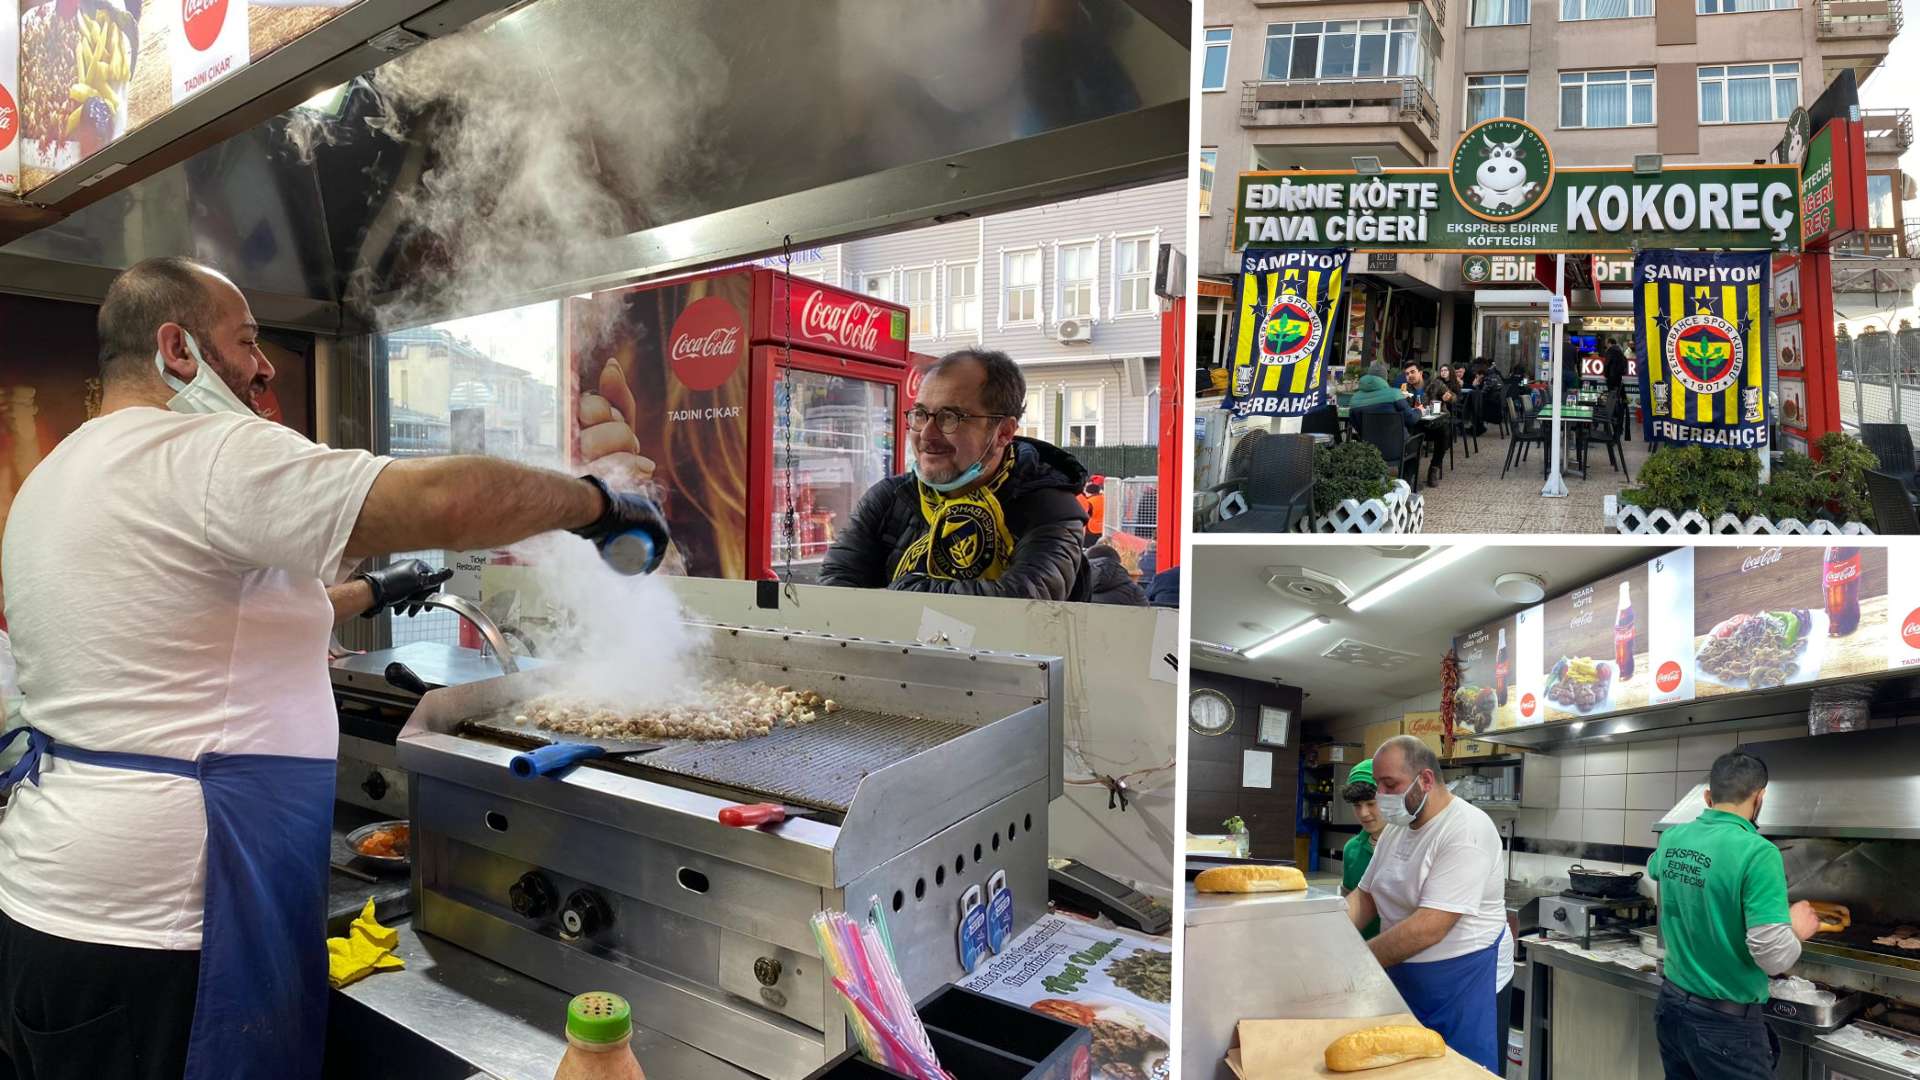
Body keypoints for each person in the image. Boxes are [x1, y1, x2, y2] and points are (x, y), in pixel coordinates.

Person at [0, 256, 670, 1080]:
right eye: (245, 341)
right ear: (177, 350)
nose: (263, 364)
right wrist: (598, 504)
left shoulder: (64, 473)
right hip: (172, 927)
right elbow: (441, 502)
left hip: (56, 909)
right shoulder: (199, 452)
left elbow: (220, 622)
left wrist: (378, 586)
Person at [820, 348, 1090, 600]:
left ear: (1004, 432)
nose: (927, 434)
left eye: (950, 417)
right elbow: (834, 592)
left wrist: (903, 593)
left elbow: (1023, 605)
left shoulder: (1051, 510)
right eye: (921, 414)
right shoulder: (889, 498)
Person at [1649, 752, 1823, 1080]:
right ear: (1761, 797)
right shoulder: (1758, 853)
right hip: (1724, 1026)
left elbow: (1655, 868)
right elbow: (1773, 958)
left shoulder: (1672, 837)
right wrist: (1796, 927)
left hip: (1671, 1007)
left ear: (1707, 797)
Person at [1345, 736, 1507, 1073]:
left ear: (1426, 780)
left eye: (1390, 785)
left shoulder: (1467, 830)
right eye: (1379, 786)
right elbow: (1366, 896)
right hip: (1405, 975)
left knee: (1461, 1070)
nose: (1382, 797)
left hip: (1461, 981)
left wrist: (1356, 964)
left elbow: (1430, 926)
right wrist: (1327, 937)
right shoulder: (1397, 829)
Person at [1339, 759, 1385, 940]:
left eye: (1371, 803)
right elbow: (1348, 901)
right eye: (1357, 806)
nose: (1364, 813)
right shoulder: (1352, 849)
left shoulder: (1409, 845)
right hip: (1361, 945)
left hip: (1403, 952)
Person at [1078, 477, 1106, 548]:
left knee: (1089, 549)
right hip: (1103, 528)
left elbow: (1085, 515)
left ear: (1088, 492)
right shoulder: (1105, 499)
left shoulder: (1089, 502)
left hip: (1091, 529)